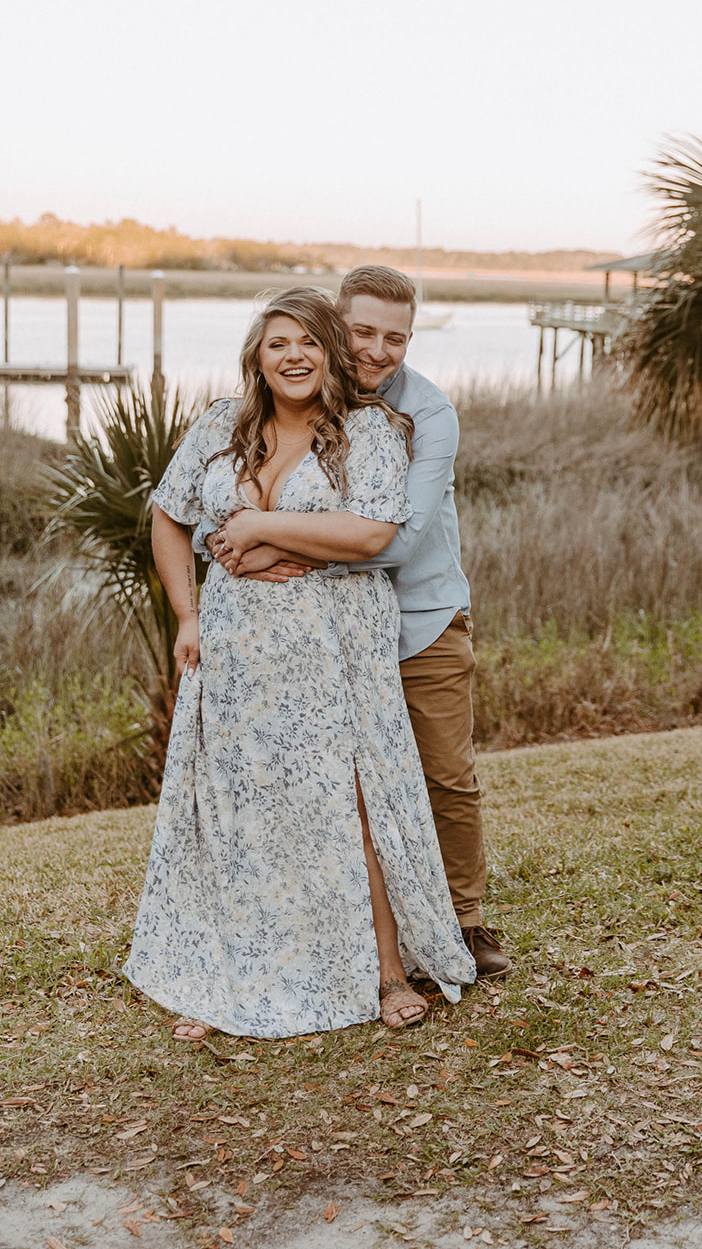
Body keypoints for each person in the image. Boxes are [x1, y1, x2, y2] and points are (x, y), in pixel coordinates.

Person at [123, 288, 477, 1041]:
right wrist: (189, 613)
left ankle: (385, 974)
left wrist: (258, 528)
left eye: (309, 344)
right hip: (237, 646)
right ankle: (235, 976)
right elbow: (168, 511)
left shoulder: (370, 430)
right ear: (258, 353)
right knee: (241, 809)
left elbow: (373, 533)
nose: (294, 357)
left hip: (331, 642)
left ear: (330, 355)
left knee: (351, 798)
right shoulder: (221, 424)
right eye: (279, 342)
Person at [207, 267, 510, 978]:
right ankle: (349, 932)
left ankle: (463, 921)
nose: (377, 350)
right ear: (333, 325)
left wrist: (271, 545)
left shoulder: (428, 414)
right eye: (363, 331)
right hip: (324, 632)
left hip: (420, 621)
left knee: (442, 775)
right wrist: (227, 541)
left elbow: (394, 539)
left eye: (395, 338)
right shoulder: (295, 399)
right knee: (332, 784)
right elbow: (221, 501)